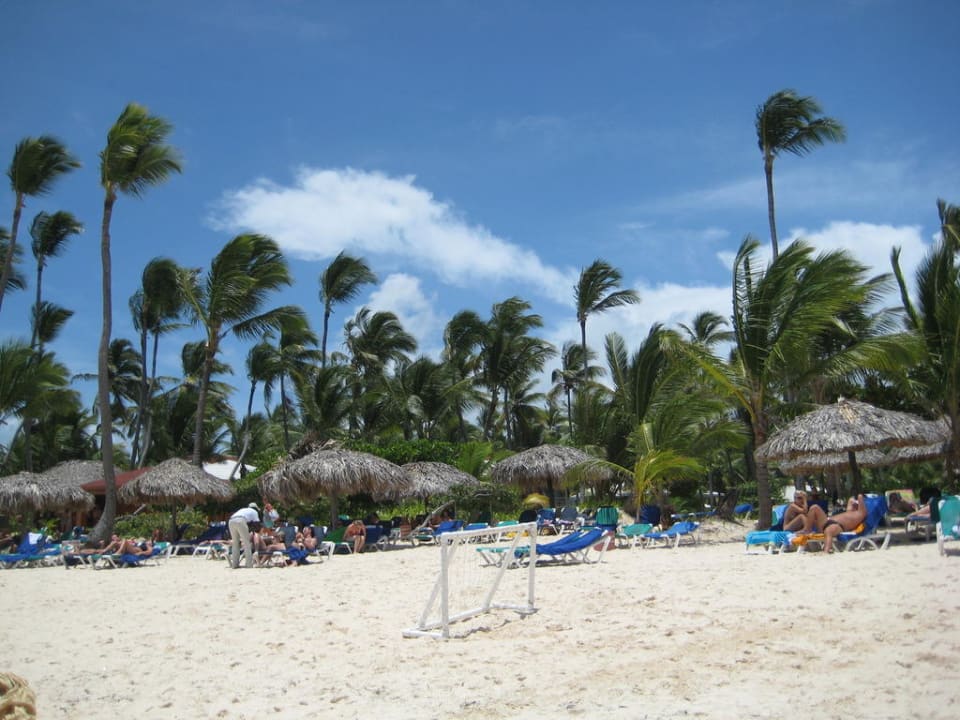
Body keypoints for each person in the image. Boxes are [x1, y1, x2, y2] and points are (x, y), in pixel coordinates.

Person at [802, 494, 868, 553]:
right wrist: (854, 501)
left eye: (856, 504)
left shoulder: (860, 514)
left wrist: (859, 500)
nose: (854, 505)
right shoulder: (850, 511)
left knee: (829, 531)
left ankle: (826, 551)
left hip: (837, 526)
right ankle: (807, 531)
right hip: (826, 521)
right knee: (814, 507)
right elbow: (850, 500)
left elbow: (860, 496)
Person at [228, 502, 260, 569]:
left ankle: (235, 565)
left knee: (235, 543)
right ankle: (249, 565)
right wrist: (253, 530)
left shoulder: (243, 509)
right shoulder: (254, 512)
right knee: (247, 543)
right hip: (240, 521)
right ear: (255, 508)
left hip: (231, 521)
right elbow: (257, 524)